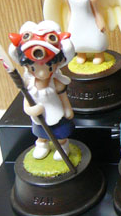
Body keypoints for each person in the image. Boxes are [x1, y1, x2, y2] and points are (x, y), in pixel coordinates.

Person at [8, 20, 76, 160]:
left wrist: (67, 109)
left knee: (60, 133)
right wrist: (31, 110)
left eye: (49, 67)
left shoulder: (57, 83)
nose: (41, 73)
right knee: (41, 133)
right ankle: (42, 144)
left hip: (56, 112)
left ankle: (63, 145)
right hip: (39, 117)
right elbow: (27, 102)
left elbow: (63, 97)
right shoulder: (29, 85)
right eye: (34, 68)